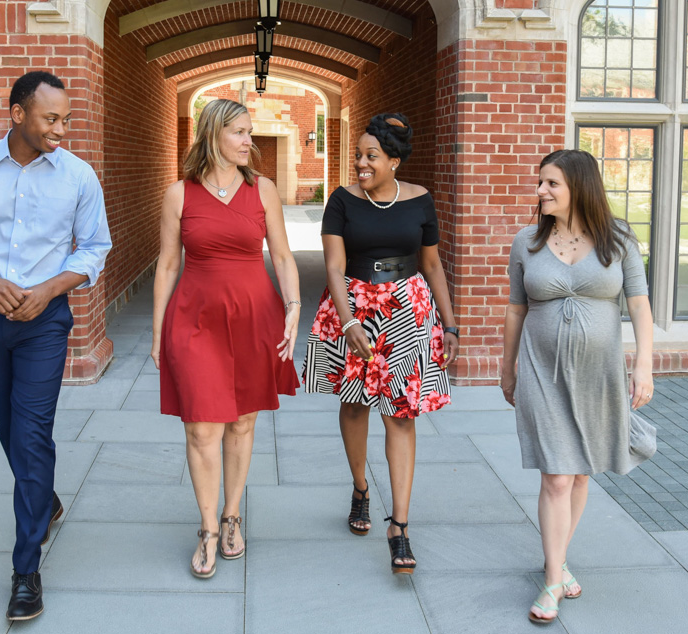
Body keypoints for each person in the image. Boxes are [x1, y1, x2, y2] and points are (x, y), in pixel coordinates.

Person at [0, 71, 112, 621]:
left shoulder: (79, 176)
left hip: (45, 322)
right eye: (50, 118)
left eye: (66, 119)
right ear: (17, 115)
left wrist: (49, 289)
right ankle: (45, 497)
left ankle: (25, 569)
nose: (61, 128)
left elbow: (94, 249)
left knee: (31, 434)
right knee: (6, 424)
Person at [500, 149, 656, 624]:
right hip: (541, 370)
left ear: (579, 188)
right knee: (557, 475)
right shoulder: (526, 241)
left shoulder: (619, 238)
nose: (541, 191)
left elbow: (640, 306)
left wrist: (643, 365)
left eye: (551, 184)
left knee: (582, 472)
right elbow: (514, 310)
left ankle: (558, 559)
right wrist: (506, 368)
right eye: (541, 182)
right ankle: (552, 580)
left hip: (598, 374)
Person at [302, 113, 459, 575]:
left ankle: (400, 526)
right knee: (355, 406)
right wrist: (348, 321)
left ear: (394, 159)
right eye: (358, 155)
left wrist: (450, 326)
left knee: (401, 414)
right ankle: (360, 489)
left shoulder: (421, 201)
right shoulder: (342, 201)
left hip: (408, 311)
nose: (361, 164)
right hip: (354, 306)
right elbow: (333, 266)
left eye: (371, 156)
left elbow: (431, 265)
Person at [152, 98, 300, 579]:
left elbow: (281, 256)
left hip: (255, 317)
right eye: (239, 132)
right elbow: (168, 264)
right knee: (201, 426)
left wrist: (294, 307)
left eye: (249, 132)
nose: (247, 141)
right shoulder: (179, 195)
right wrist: (157, 332)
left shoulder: (263, 190)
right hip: (194, 320)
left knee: (241, 423)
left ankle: (232, 514)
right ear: (213, 133)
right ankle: (207, 527)